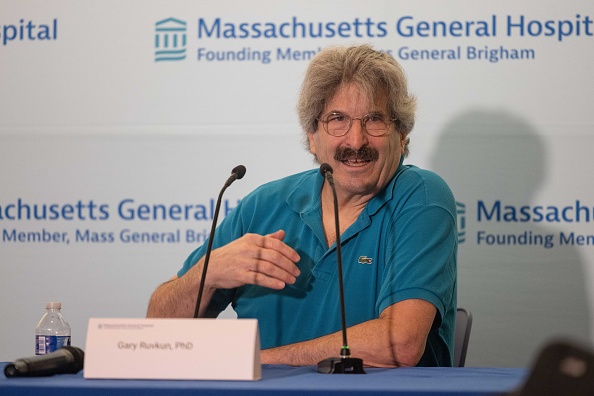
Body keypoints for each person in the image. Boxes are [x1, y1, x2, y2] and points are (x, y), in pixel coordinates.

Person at [147, 44, 457, 368]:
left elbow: (400, 344)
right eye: (337, 120)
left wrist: (257, 361)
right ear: (311, 136)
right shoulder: (262, 206)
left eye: (374, 120)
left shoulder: (421, 197)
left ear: (402, 135)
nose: (356, 141)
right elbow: (157, 327)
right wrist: (206, 274)